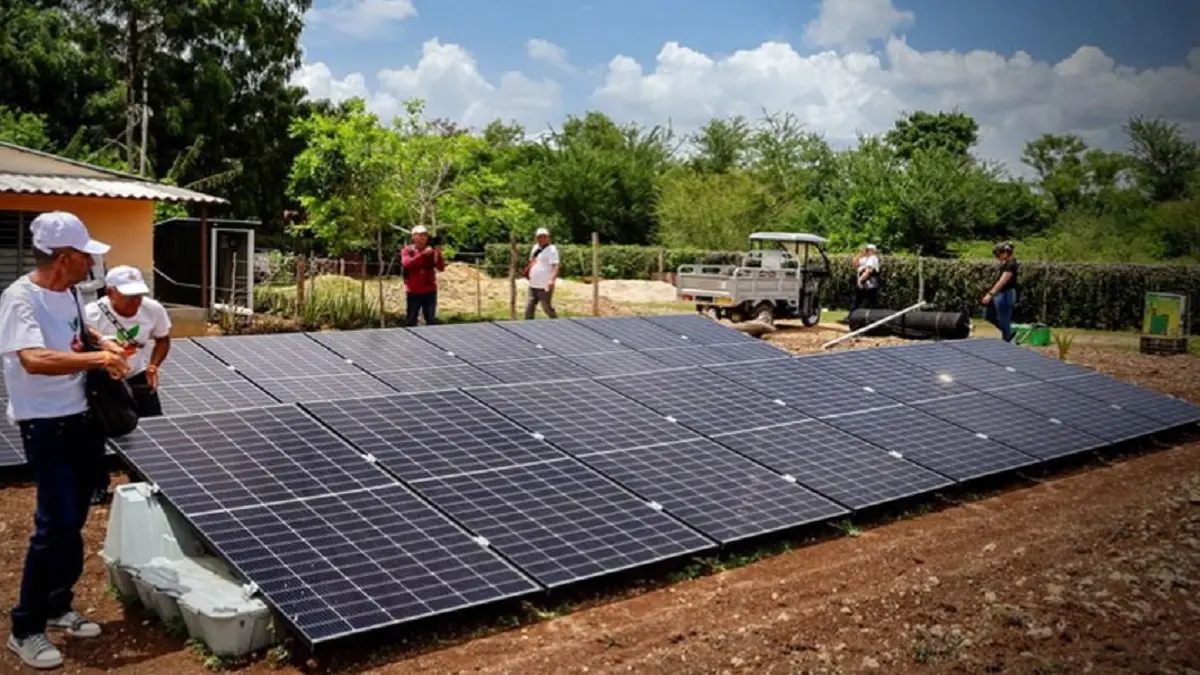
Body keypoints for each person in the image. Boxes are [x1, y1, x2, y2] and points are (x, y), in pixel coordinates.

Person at [0, 211, 130, 670]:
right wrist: (98, 360)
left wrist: (105, 342)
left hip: (80, 419)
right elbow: (33, 358)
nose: (91, 264)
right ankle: (26, 627)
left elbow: (81, 332)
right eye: (84, 256)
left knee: (74, 517)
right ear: (64, 257)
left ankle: (58, 605)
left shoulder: (70, 293)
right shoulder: (20, 299)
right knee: (52, 524)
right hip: (45, 424)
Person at [85, 265, 172, 505]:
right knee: (95, 433)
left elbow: (163, 339)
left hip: (137, 376)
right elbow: (83, 337)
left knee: (150, 429)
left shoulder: (152, 310)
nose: (136, 301)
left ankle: (144, 478)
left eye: (139, 295)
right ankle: (97, 485)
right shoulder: (92, 312)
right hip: (102, 381)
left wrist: (154, 366)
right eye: (129, 295)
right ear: (111, 292)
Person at [400, 225, 445, 326]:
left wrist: (437, 253)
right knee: (411, 320)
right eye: (419, 235)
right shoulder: (408, 250)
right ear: (413, 237)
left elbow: (441, 268)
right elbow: (407, 263)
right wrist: (422, 255)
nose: (422, 238)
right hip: (413, 291)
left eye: (424, 235)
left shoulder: (431, 251)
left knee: (431, 320)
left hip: (429, 291)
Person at [982, 241, 1019, 342]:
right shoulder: (1006, 263)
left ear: (1005, 253)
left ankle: (1008, 340)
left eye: (998, 255)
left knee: (1004, 320)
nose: (997, 257)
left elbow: (1003, 281)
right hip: (999, 295)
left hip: (1005, 295)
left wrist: (990, 294)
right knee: (987, 315)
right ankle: (1010, 332)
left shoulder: (1011, 264)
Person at [523, 227, 560, 320]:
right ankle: (528, 325)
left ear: (548, 238)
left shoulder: (552, 249)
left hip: (544, 285)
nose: (541, 239)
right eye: (539, 237)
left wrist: (552, 280)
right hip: (533, 284)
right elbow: (532, 261)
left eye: (544, 237)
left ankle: (557, 321)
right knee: (529, 307)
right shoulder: (535, 248)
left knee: (546, 307)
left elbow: (555, 266)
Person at [849, 244, 881, 314]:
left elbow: (868, 271)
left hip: (868, 283)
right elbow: (854, 264)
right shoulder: (865, 258)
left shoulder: (872, 258)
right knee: (857, 300)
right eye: (866, 250)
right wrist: (860, 254)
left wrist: (860, 280)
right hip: (864, 283)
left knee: (872, 301)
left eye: (868, 250)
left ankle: (851, 316)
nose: (866, 251)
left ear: (873, 251)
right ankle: (851, 316)